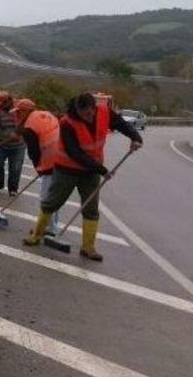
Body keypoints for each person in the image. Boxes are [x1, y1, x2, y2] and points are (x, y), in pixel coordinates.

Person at [23, 93, 143, 261]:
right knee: (52, 202)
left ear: (94, 107)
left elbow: (121, 124)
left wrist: (135, 137)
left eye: (91, 112)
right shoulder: (67, 123)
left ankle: (88, 247)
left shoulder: (103, 112)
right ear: (77, 110)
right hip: (67, 169)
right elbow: (75, 153)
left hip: (91, 171)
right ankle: (36, 234)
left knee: (91, 209)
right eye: (85, 114)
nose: (89, 116)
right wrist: (101, 170)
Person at [11, 98, 61, 236]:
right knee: (55, 195)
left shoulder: (29, 128)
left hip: (50, 161)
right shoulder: (46, 114)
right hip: (64, 158)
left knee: (46, 197)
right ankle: (53, 225)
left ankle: (49, 229)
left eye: (19, 112)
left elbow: (34, 153)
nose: (18, 115)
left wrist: (39, 168)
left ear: (26, 111)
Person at [0, 91, 26, 196]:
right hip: (1, 144)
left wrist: (18, 133)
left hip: (18, 145)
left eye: (2, 102)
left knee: (15, 168)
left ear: (9, 100)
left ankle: (13, 189)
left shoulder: (19, 108)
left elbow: (27, 122)